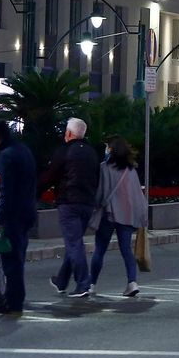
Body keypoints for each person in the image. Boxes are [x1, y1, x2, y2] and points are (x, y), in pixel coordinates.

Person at [39, 117, 100, 299]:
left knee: (74, 243)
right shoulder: (91, 152)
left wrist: (34, 192)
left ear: (69, 133)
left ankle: (83, 284)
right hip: (87, 203)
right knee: (75, 242)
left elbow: (50, 175)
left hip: (69, 202)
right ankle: (62, 280)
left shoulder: (65, 151)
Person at [0, 122, 36, 316]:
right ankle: (14, 299)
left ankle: (13, 302)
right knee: (18, 258)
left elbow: (5, 190)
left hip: (13, 215)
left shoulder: (6, 157)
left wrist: (0, 217)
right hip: (27, 212)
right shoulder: (24, 151)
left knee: (11, 261)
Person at [89, 136, 147, 298]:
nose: (106, 149)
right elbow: (137, 195)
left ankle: (92, 284)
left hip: (109, 214)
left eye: (107, 147)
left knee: (100, 249)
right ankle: (132, 282)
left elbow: (101, 193)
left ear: (111, 150)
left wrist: (95, 206)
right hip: (128, 215)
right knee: (126, 249)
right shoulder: (131, 170)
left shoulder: (104, 168)